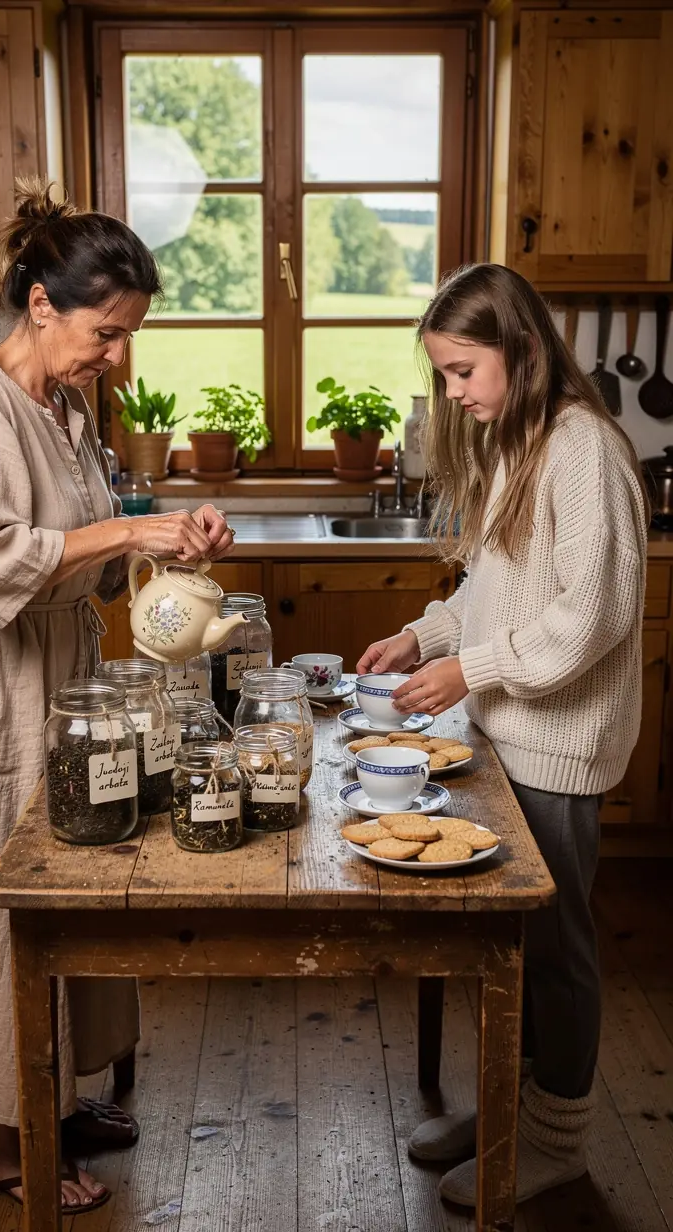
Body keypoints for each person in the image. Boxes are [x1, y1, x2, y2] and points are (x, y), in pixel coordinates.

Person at [0, 180, 235, 1215]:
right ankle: (1, 1133)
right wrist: (128, 530)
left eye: (128, 336)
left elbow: (89, 553)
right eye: (106, 331)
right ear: (40, 303)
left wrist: (170, 540)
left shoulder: (67, 409)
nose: (117, 355)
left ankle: (55, 1092)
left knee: (75, 866)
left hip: (55, 667)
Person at [357, 263, 648, 1207]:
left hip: (559, 746)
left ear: (522, 351)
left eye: (463, 370)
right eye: (445, 373)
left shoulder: (582, 449)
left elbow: (588, 617)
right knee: (510, 942)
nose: (453, 392)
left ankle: (556, 1141)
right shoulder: (521, 440)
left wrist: (469, 669)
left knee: (555, 952)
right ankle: (508, 1110)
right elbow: (494, 591)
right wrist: (425, 636)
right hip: (508, 733)